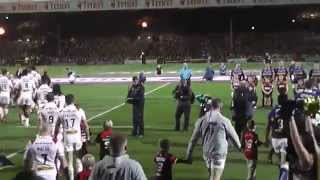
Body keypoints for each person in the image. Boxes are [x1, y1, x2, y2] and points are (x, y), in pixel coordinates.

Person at [186, 98, 241, 180]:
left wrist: (189, 155)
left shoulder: (201, 120)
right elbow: (234, 137)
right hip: (219, 153)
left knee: (211, 175)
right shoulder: (224, 121)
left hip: (206, 152)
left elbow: (193, 140)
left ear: (210, 106)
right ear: (220, 107)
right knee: (215, 177)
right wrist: (240, 148)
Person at [55, 94, 90, 180]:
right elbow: (85, 125)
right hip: (77, 137)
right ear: (73, 100)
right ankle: (79, 177)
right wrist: (88, 136)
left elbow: (57, 126)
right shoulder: (79, 110)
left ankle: (71, 178)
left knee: (69, 161)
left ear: (66, 101)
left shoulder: (62, 111)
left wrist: (55, 136)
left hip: (67, 137)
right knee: (78, 159)